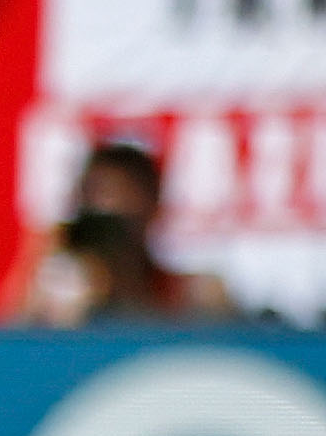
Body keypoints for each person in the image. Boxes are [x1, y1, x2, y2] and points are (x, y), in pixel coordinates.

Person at [23, 136, 242, 321]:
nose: (100, 213)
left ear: (152, 206)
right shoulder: (58, 304)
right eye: (87, 200)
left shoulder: (187, 294)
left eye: (112, 197)